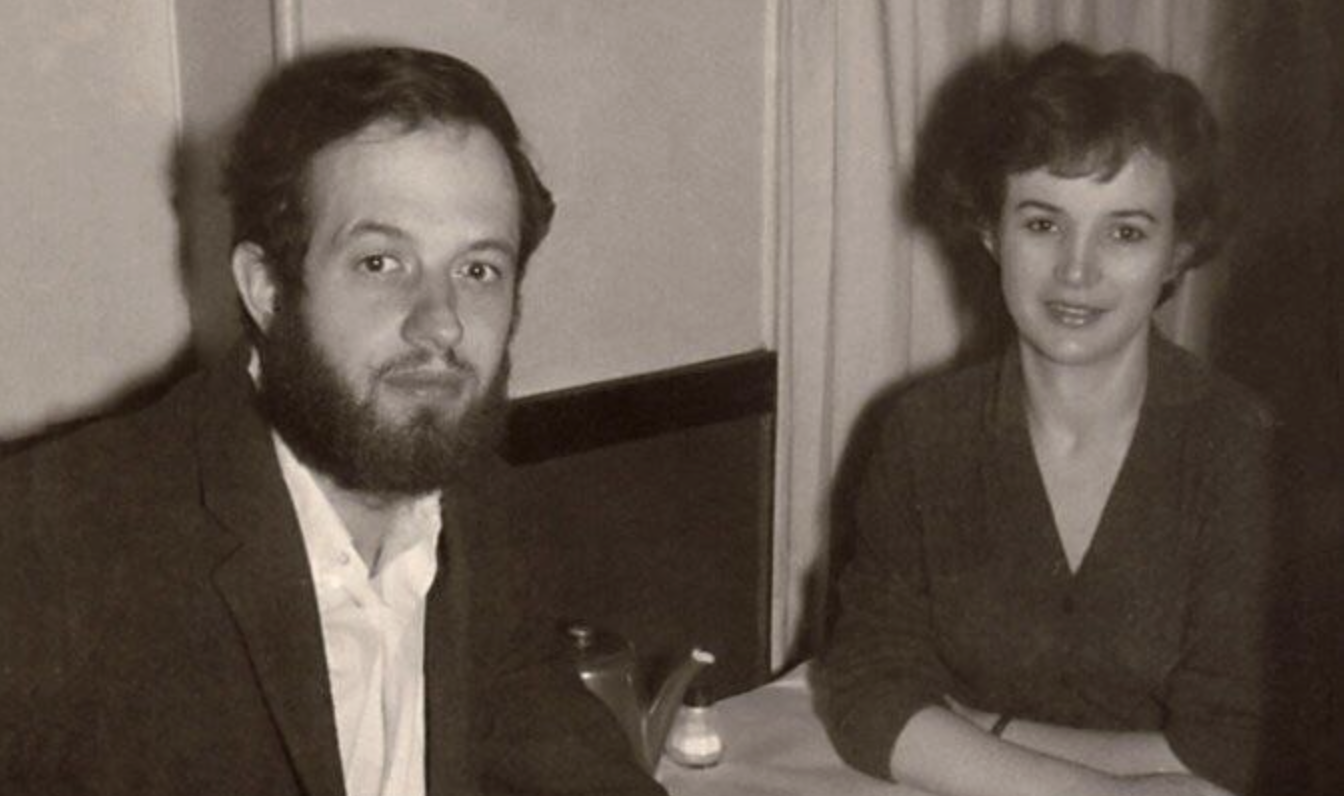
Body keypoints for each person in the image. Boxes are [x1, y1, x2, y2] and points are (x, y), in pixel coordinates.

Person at [0, 46, 664, 796]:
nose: (441, 324)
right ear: (268, 289)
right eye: (381, 262)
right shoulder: (53, 548)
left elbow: (555, 749)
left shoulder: (474, 506)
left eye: (478, 269)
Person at [820, 43, 1276, 796]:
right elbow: (868, 698)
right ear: (992, 232)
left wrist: (971, 732)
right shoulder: (920, 433)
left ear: (1178, 252)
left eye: (1125, 232)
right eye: (1043, 224)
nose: (1076, 270)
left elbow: (1230, 749)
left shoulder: (1240, 446)